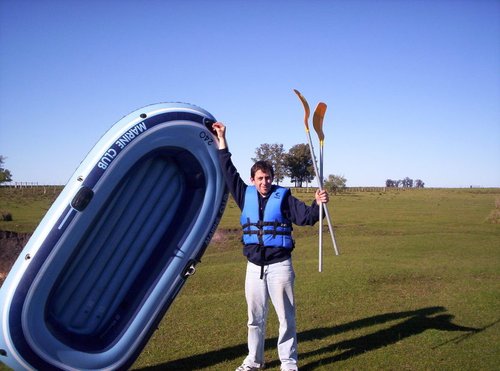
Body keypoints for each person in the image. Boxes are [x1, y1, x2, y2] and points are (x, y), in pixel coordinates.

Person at [212, 122, 329, 371]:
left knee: (286, 317)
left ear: (273, 179)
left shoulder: (283, 197)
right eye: (260, 178)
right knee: (254, 319)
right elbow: (227, 169)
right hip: (254, 267)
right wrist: (222, 139)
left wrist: (318, 203)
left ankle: (288, 363)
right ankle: (254, 361)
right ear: (252, 180)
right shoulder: (245, 195)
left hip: (280, 266)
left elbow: (306, 218)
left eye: (268, 178)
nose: (264, 182)